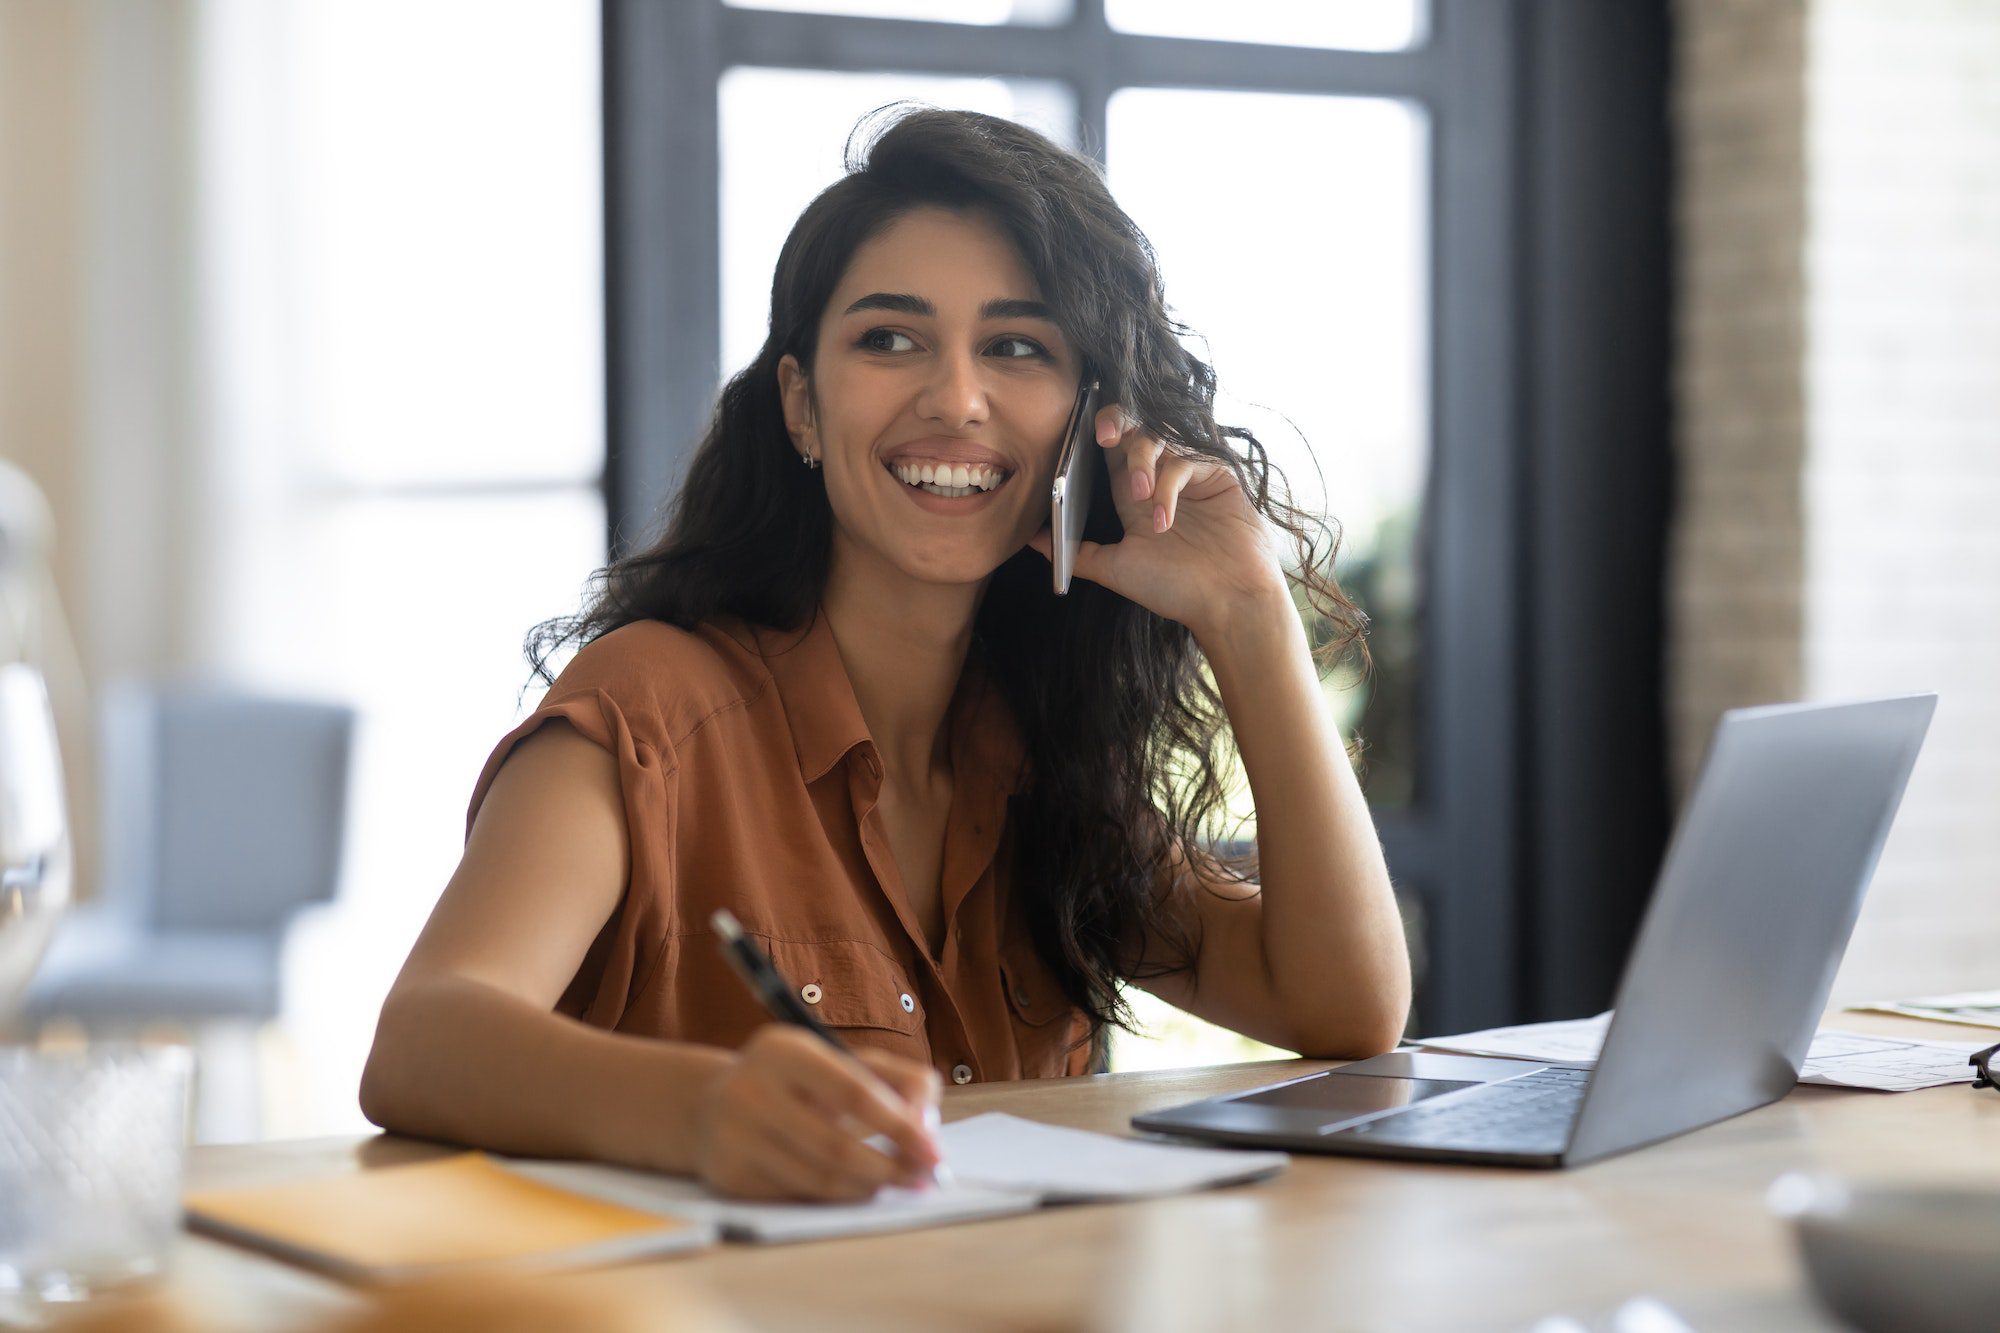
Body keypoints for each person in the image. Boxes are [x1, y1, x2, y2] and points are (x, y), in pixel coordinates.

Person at [359, 104, 1409, 1203]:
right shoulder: (651, 709)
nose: (955, 399)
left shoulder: (1037, 758)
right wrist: (703, 1108)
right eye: (888, 338)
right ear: (800, 405)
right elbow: (425, 1036)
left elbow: (1339, 1005)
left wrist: (1248, 613)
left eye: (1016, 346)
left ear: (1090, 427)